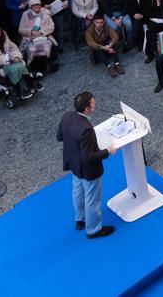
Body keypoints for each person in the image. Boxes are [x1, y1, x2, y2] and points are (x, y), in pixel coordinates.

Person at [57, 91, 118, 239]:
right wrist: (108, 152)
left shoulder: (67, 116)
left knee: (77, 191)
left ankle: (80, 219)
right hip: (88, 170)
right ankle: (94, 230)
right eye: (93, 102)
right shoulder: (86, 128)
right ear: (86, 109)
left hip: (73, 164)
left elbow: (60, 137)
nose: (94, 103)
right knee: (92, 199)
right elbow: (89, 157)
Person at [0, 24, 39, 98]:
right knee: (16, 68)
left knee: (21, 63)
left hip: (9, 61)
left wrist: (16, 57)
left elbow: (13, 47)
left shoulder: (4, 38)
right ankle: (19, 92)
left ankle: (31, 85)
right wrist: (9, 59)